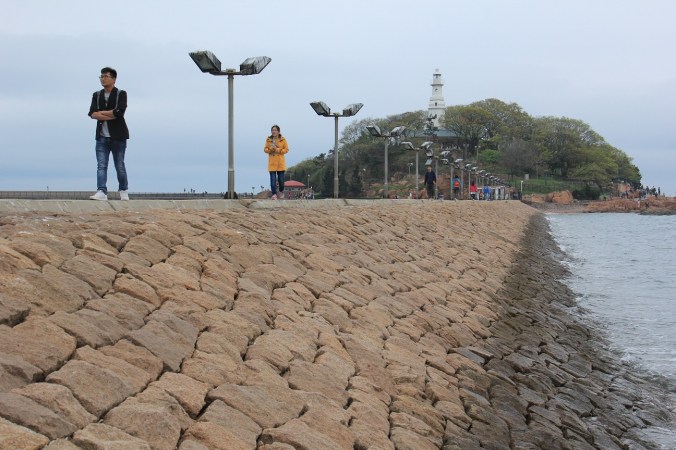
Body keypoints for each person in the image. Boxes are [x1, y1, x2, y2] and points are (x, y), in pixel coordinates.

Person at [88, 67, 130, 201]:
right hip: (101, 136)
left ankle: (123, 189)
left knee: (119, 165)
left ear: (113, 79)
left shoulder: (121, 94)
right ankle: (101, 190)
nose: (103, 78)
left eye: (106, 76)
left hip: (118, 136)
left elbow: (119, 112)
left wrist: (102, 113)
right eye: (101, 76)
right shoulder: (97, 95)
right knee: (101, 165)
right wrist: (110, 114)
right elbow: (92, 113)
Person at [264, 125, 289, 199]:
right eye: (272, 130)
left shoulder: (283, 139)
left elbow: (286, 150)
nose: (273, 131)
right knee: (273, 180)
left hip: (280, 163)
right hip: (272, 163)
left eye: (275, 130)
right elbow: (265, 149)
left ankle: (281, 191)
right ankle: (274, 194)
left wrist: (278, 149)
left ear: (278, 131)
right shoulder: (268, 139)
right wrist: (271, 149)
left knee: (281, 180)